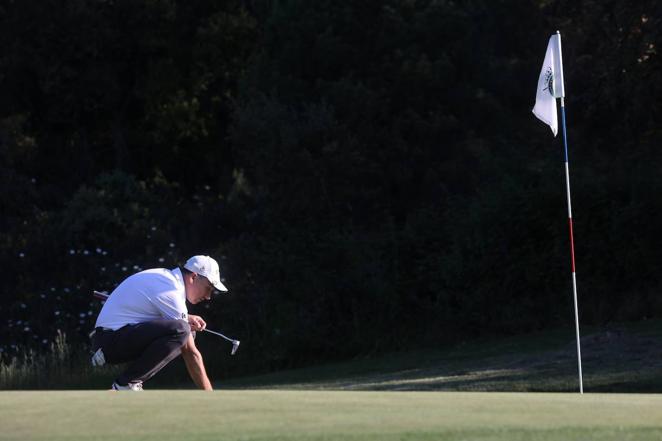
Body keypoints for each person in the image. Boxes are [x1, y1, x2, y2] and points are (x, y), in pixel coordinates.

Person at [91, 255, 228, 391]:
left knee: (187, 331)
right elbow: (191, 353)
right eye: (208, 287)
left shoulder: (168, 280)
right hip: (109, 342)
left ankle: (127, 382)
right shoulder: (170, 289)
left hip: (113, 339)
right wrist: (209, 395)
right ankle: (126, 383)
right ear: (193, 277)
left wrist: (186, 317)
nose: (208, 296)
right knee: (183, 330)